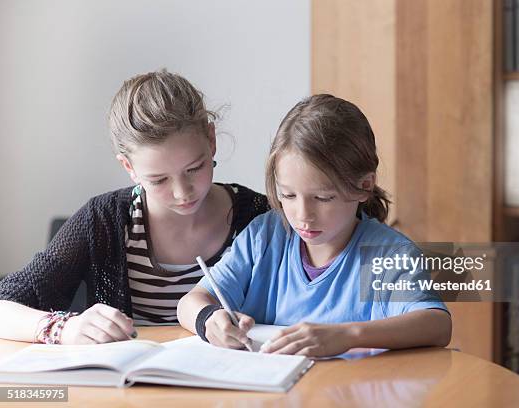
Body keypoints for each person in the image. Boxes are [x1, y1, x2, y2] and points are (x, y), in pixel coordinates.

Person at [0, 70, 268, 345]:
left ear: (211, 140)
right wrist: (64, 328)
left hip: (234, 382)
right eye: (159, 179)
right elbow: (4, 306)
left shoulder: (261, 218)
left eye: (194, 168)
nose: (182, 192)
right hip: (127, 386)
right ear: (129, 167)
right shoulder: (102, 220)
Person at [177, 94, 451, 357]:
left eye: (322, 198)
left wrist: (346, 336)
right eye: (288, 195)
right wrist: (209, 319)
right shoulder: (264, 237)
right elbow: (191, 302)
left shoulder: (386, 253)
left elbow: (436, 325)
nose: (303, 215)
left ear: (364, 185)